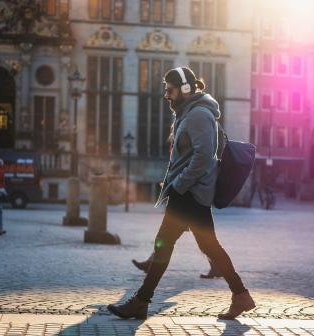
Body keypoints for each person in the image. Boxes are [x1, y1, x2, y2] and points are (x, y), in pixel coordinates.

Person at [107, 66, 255, 320]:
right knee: (207, 246)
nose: (166, 94)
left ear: (185, 89)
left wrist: (179, 185)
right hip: (190, 193)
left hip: (190, 194)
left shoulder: (198, 115)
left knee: (164, 243)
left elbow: (204, 156)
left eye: (170, 89)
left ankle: (141, 302)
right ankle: (241, 295)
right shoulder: (189, 112)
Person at [132, 253, 222, 279]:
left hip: (188, 212)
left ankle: (235, 286)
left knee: (207, 243)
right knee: (165, 239)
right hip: (187, 212)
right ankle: (150, 264)